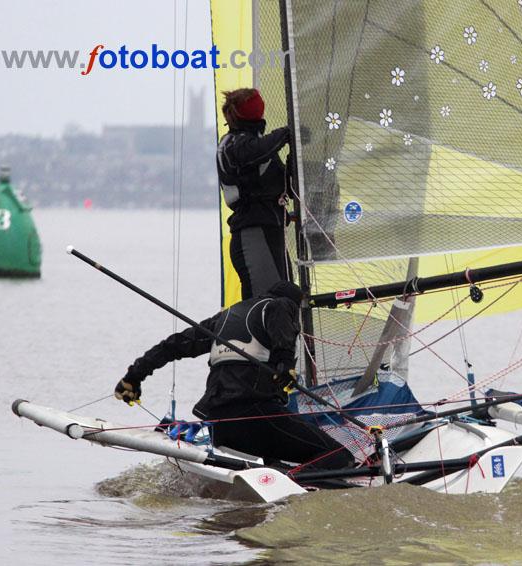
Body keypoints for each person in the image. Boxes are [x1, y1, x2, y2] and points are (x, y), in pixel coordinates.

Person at [114, 281, 354, 470]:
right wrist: (285, 364)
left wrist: (133, 377)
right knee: (339, 456)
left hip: (220, 425)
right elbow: (284, 332)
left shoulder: (224, 317)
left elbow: (172, 346)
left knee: (280, 452)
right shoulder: (281, 305)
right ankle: (296, 485)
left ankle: (273, 471)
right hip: (257, 415)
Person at [217, 88, 293, 300]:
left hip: (270, 232)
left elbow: (280, 183)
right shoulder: (232, 145)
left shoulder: (258, 144)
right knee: (269, 305)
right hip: (253, 234)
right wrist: (286, 133)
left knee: (285, 300)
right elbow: (252, 152)